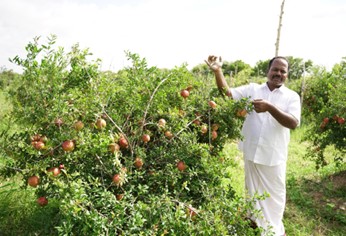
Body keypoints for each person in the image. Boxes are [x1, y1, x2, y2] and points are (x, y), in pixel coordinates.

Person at [205, 55, 301, 236]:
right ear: (268, 71)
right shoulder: (253, 89)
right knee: (252, 193)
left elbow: (293, 123)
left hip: (273, 157)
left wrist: (270, 108)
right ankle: (255, 225)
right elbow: (228, 93)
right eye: (275, 69)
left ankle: (275, 232)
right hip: (251, 153)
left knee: (275, 198)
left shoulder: (291, 97)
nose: (278, 73)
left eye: (283, 71)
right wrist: (218, 71)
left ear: (287, 75)